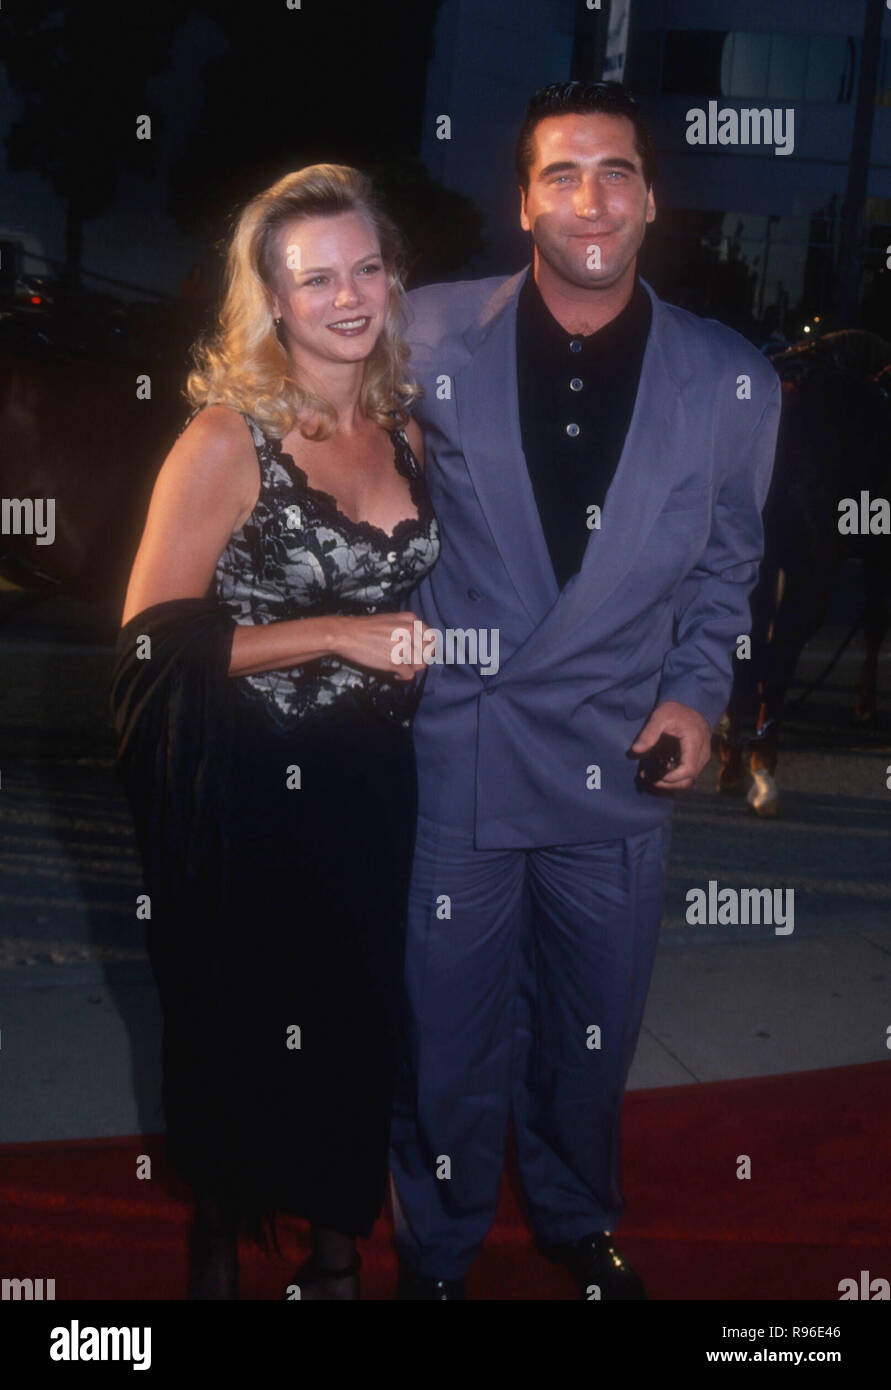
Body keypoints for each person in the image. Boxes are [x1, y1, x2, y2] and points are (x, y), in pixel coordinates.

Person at [389, 81, 782, 1299]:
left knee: (589, 1033)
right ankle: (441, 1248)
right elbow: (324, 444)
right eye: (562, 173)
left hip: (621, 758)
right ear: (524, 202)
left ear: (651, 198)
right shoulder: (423, 334)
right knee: (446, 1036)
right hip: (465, 742)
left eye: (614, 170)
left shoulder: (734, 383)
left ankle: (571, 1213)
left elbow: (727, 574)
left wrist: (698, 700)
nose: (590, 197)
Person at [110, 164, 439, 1301]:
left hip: (371, 790)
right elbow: (151, 648)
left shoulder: (406, 431)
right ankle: (221, 1241)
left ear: (392, 278)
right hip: (251, 793)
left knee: (352, 1022)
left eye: (366, 267)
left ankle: (336, 1245)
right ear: (274, 299)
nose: (348, 296)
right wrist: (336, 632)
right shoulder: (225, 438)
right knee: (242, 1031)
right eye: (316, 279)